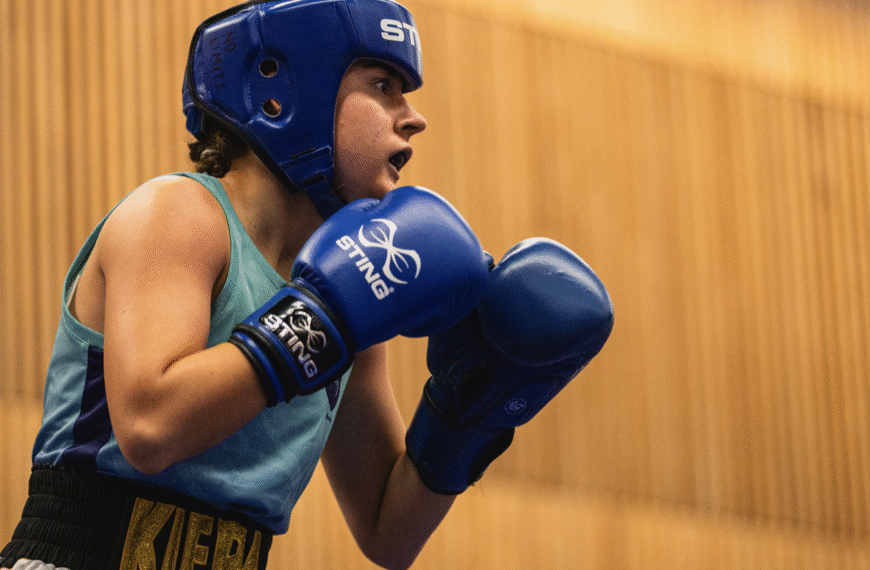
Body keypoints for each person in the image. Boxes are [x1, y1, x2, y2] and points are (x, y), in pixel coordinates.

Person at [1, 1, 614, 569]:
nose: (415, 117)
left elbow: (387, 531)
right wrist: (322, 319)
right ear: (282, 93)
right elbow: (151, 428)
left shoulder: (350, 293)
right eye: (383, 87)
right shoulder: (180, 215)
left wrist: (463, 416)